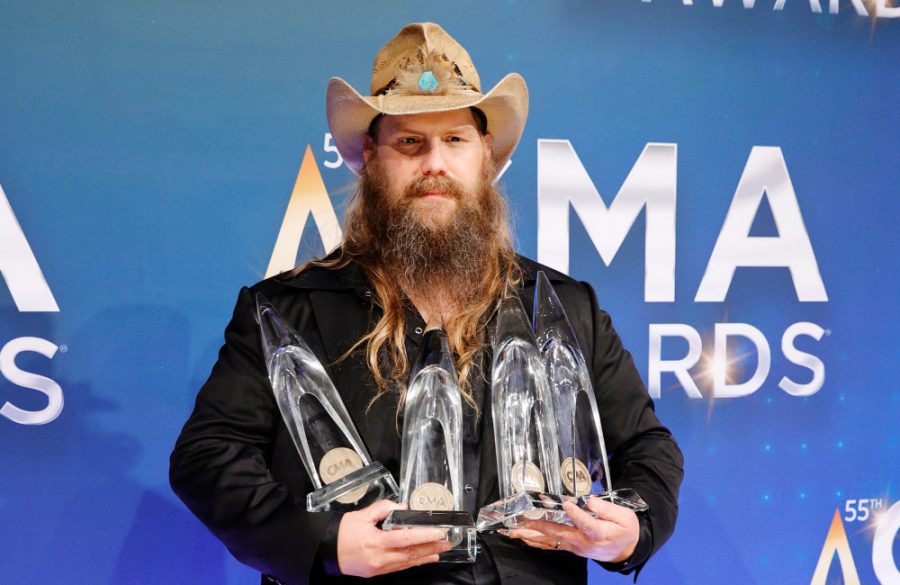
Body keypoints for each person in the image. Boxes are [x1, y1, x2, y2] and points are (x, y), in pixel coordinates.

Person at [170, 22, 683, 585]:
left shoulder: (561, 307)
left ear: (485, 155)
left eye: (455, 140)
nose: (433, 163)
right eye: (410, 142)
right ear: (370, 156)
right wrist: (324, 541)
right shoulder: (284, 311)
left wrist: (631, 529)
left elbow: (645, 446)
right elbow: (208, 456)